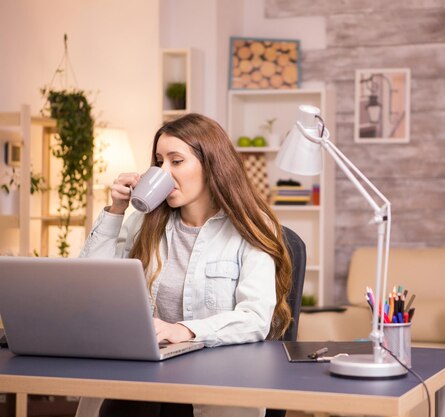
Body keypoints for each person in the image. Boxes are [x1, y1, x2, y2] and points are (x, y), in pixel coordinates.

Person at [80, 113, 293, 417]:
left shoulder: (249, 227)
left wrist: (185, 330)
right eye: (159, 162)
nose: (163, 172)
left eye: (176, 161)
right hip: (145, 374)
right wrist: (115, 211)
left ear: (211, 165)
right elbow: (90, 287)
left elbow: (255, 317)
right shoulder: (143, 222)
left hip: (220, 377)